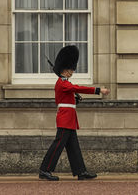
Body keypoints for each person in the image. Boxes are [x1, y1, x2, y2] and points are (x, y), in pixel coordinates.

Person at [39, 45, 110, 181]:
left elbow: (68, 99)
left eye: (71, 70)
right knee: (58, 145)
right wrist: (98, 90)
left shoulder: (65, 83)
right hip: (65, 118)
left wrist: (75, 100)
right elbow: (77, 88)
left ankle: (80, 171)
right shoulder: (62, 83)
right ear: (64, 70)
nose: (71, 72)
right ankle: (45, 169)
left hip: (69, 118)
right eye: (69, 70)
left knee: (73, 147)